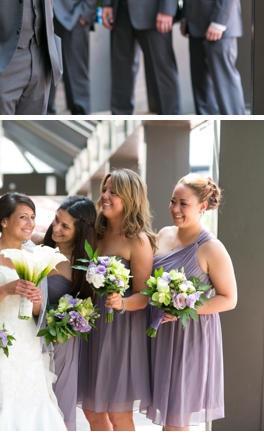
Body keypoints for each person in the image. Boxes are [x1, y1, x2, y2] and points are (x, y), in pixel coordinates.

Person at [0, 193, 66, 430]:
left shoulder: (34, 256)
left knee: (36, 405)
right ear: (4, 221)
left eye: (32, 217)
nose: (30, 223)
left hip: (28, 343)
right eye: (23, 217)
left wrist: (37, 300)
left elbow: (35, 311)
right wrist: (5, 290)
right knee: (1, 404)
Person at [142, 174, 237, 430]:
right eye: (173, 201)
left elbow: (229, 299)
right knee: (168, 419)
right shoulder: (162, 235)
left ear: (202, 207)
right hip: (162, 335)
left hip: (190, 337)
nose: (175, 209)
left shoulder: (211, 248)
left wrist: (185, 307)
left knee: (176, 421)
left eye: (183, 204)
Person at [78, 169, 155, 430]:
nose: (105, 196)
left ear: (130, 198)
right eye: (105, 190)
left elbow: (144, 296)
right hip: (93, 328)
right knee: (91, 409)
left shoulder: (138, 241)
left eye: (114, 192)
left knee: (118, 413)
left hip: (121, 332)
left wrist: (121, 303)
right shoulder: (94, 234)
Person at [42, 195, 99, 430]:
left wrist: (67, 325)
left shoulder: (83, 266)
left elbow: (88, 306)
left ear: (80, 231)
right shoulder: (37, 248)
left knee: (59, 408)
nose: (56, 228)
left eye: (65, 226)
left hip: (62, 340)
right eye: (56, 220)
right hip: (29, 335)